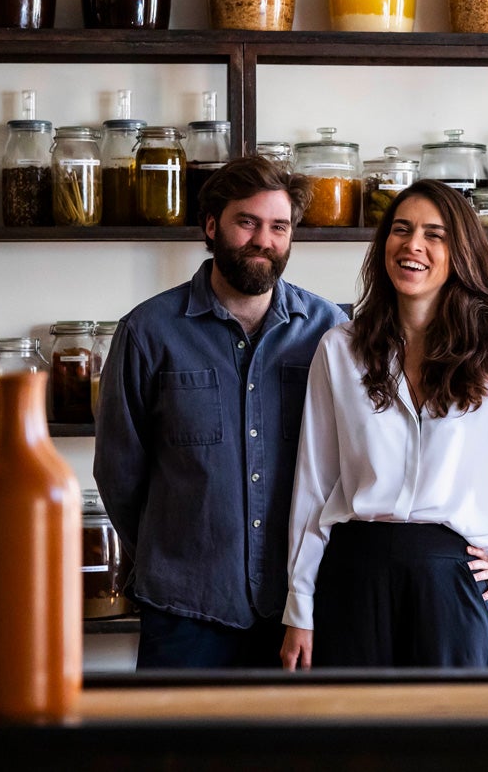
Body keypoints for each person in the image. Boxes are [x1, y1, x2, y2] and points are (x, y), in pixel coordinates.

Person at [280, 179, 488, 670]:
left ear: (459, 254)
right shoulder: (339, 350)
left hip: (453, 584)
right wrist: (299, 608)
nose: (413, 245)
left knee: (454, 742)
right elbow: (313, 488)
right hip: (353, 580)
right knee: (354, 745)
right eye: (400, 230)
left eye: (434, 234)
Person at [94, 155, 348, 669]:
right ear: (212, 226)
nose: (264, 240)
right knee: (181, 753)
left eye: (279, 227)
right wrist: (175, 548)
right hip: (184, 610)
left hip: (299, 610)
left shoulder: (331, 331)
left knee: (289, 753)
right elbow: (119, 471)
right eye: (247, 222)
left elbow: (352, 461)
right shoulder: (147, 332)